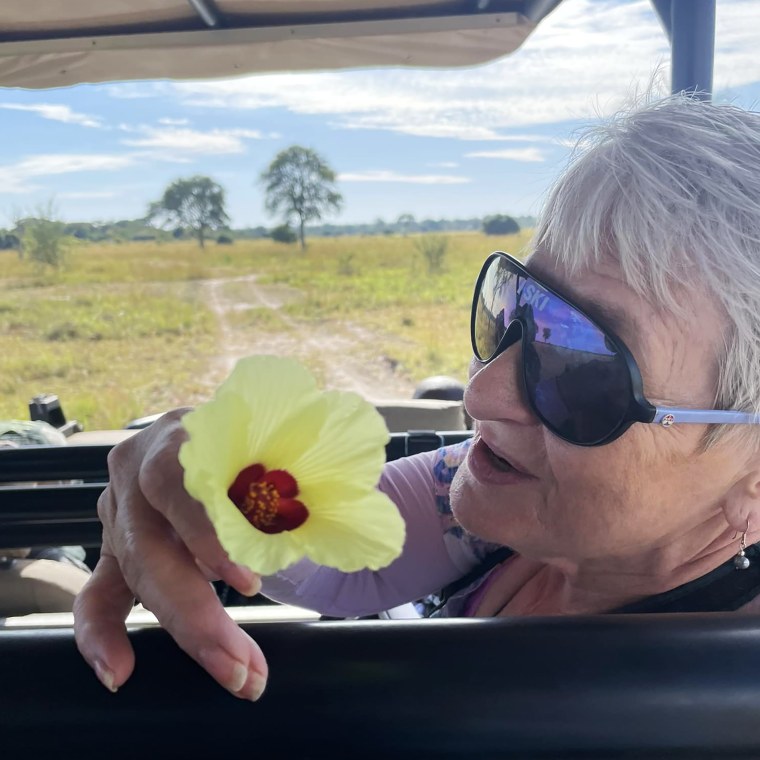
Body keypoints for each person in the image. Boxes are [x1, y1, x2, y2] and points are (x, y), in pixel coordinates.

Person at [73, 94, 760, 704]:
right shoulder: (507, 507)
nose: (482, 389)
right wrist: (210, 477)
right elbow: (329, 550)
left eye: (584, 371)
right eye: (515, 308)